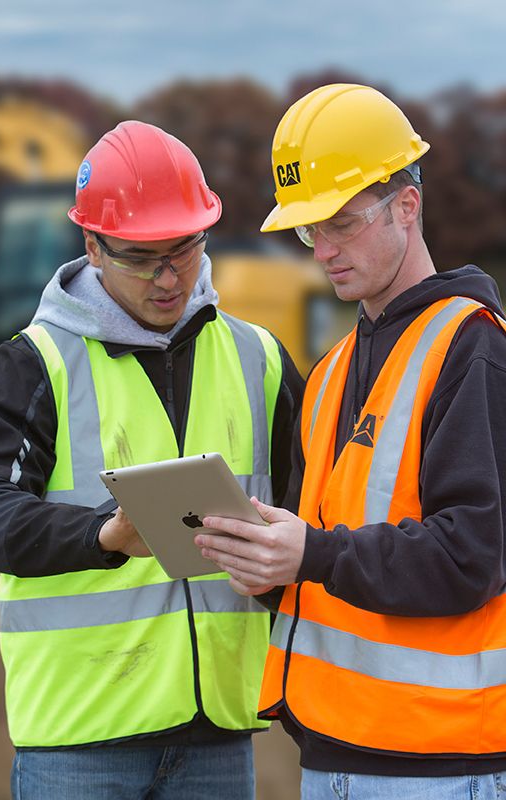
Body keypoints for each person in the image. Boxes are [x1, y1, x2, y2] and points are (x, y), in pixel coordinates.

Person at [0, 120, 304, 800]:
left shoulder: (258, 358)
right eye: (142, 257)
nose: (168, 278)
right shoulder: (36, 364)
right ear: (93, 247)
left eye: (185, 250)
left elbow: (311, 512)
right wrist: (103, 535)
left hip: (218, 730)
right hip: (81, 738)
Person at [195, 83, 506, 799]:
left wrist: (313, 552)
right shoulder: (332, 370)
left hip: (438, 763)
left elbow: (472, 556)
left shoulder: (470, 350)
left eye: (341, 223)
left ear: (407, 205)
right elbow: (329, 553)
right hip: (334, 751)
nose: (324, 251)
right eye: (310, 231)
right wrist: (272, 568)